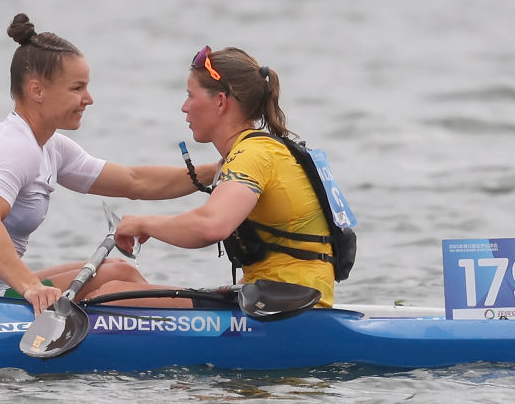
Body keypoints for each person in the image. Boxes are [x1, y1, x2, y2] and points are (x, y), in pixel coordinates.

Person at [0, 14, 218, 315]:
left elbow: (135, 181)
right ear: (37, 91)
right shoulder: (13, 148)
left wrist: (216, 170)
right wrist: (31, 287)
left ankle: (184, 320)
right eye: (77, 88)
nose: (89, 99)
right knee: (118, 278)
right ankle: (203, 321)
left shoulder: (48, 146)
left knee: (119, 271)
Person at [107, 45, 340, 308]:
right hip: (279, 298)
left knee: (111, 295)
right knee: (116, 276)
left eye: (190, 96)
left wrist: (143, 224)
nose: (184, 107)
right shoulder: (261, 150)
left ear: (220, 102)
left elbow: (212, 226)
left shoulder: (252, 155)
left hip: (288, 308)